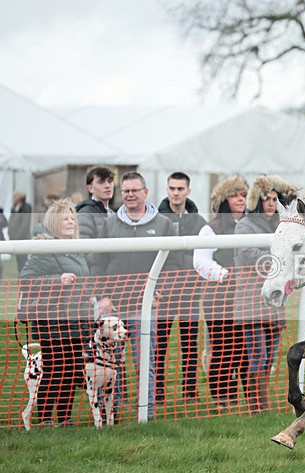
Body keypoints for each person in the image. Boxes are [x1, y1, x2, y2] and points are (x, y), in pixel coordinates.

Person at [90, 172, 179, 420]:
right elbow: (98, 261)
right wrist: (103, 296)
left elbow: (174, 264)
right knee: (113, 365)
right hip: (115, 307)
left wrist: (161, 289)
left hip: (146, 308)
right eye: (126, 191)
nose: (129, 195)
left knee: (145, 364)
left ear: (145, 192)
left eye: (134, 190)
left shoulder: (164, 225)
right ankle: (112, 413)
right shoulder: (109, 225)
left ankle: (146, 414)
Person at [19, 199, 93, 426]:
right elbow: (26, 281)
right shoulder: (45, 248)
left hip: (76, 321)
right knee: (54, 371)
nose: (70, 222)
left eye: (72, 218)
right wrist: (56, 280)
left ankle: (65, 418)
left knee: (71, 371)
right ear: (54, 222)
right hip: (52, 322)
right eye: (65, 218)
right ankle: (45, 419)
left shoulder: (77, 249)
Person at [234, 175, 298, 413]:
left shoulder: (280, 223)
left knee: (269, 360)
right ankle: (258, 408)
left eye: (274, 198)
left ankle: (260, 406)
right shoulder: (245, 225)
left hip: (274, 303)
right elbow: (249, 254)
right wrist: (279, 259)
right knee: (258, 357)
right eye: (266, 199)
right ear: (257, 201)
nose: (271, 203)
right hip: (251, 302)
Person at [194, 175, 249, 409]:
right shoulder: (211, 228)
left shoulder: (253, 224)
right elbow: (200, 260)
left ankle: (249, 396)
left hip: (247, 297)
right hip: (219, 296)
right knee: (222, 347)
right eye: (235, 194)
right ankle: (222, 397)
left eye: (244, 194)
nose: (240, 199)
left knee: (244, 347)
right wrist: (225, 275)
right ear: (224, 199)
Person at [154, 172, 207, 402]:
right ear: (167, 190)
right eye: (172, 188)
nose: (176, 193)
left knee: (190, 344)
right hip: (164, 292)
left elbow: (206, 253)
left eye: (180, 189)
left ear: (188, 191)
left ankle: (190, 392)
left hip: (189, 292)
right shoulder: (155, 219)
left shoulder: (198, 222)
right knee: (160, 345)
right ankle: (156, 392)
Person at [76, 166, 116, 240]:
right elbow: (82, 247)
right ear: (90, 188)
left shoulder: (113, 213)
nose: (107, 186)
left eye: (110, 181)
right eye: (101, 182)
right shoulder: (85, 213)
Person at [9, 190, 33, 273]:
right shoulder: (14, 208)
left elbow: (25, 224)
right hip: (16, 238)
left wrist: (17, 236)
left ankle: (24, 278)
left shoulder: (26, 207)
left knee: (23, 260)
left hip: (22, 237)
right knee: (19, 261)